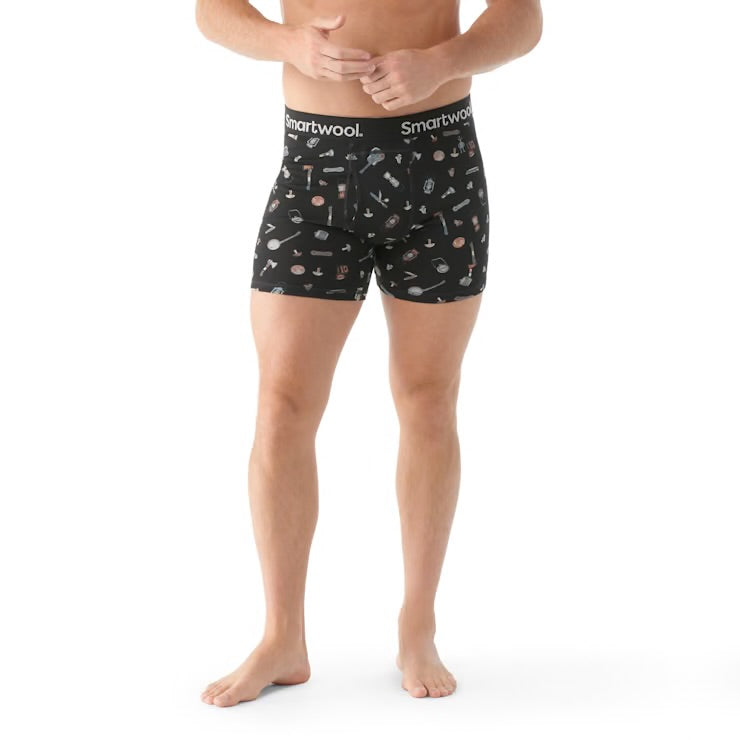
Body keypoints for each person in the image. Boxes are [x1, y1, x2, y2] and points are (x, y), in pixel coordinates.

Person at [195, 0, 542, 705]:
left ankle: (418, 625)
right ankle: (282, 637)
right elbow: (212, 11)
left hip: (439, 166)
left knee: (428, 399)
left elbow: (522, 18)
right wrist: (288, 43)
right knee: (282, 404)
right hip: (315, 169)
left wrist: (441, 62)